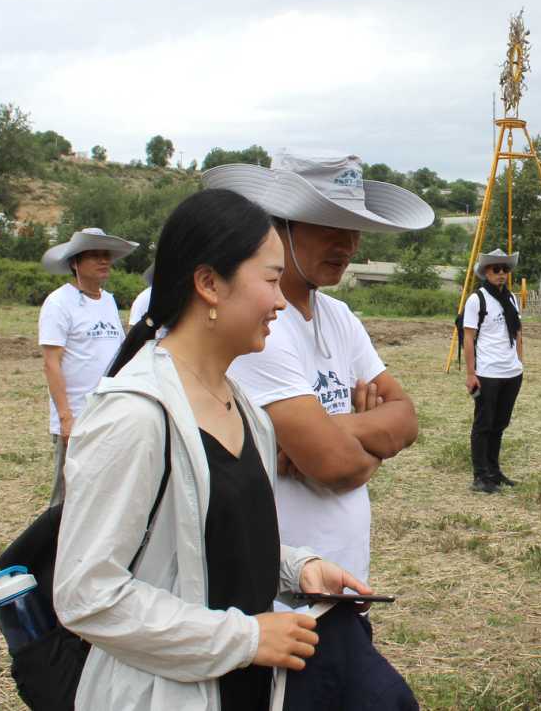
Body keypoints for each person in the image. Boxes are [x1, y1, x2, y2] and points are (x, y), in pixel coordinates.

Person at [53, 188, 383, 709]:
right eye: (271, 280)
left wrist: (295, 569)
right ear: (209, 283)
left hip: (244, 687)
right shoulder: (135, 415)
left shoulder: (244, 407)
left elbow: (212, 545)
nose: (280, 301)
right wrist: (245, 639)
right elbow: (86, 596)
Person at [204, 154, 433, 585]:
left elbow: (406, 415)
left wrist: (329, 431)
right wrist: (363, 435)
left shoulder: (339, 315)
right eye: (329, 227)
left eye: (354, 229)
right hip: (280, 588)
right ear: (278, 227)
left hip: (343, 574)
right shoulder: (258, 325)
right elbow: (334, 464)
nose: (348, 244)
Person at [38, 227, 136, 507]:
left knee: (102, 495)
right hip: (78, 416)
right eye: (94, 255)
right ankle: (53, 549)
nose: (104, 261)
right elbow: (51, 363)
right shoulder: (59, 303)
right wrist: (66, 417)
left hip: (108, 413)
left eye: (106, 255)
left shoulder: (108, 300)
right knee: (68, 497)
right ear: (75, 263)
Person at [463, 248, 524, 494]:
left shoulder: (511, 299)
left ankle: (494, 471)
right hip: (488, 372)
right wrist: (471, 373)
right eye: (496, 269)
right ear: (486, 272)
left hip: (511, 372)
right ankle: (480, 475)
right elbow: (468, 338)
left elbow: (518, 332)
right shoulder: (477, 299)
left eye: (505, 269)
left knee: (500, 424)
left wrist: (520, 362)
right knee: (483, 424)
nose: (501, 274)